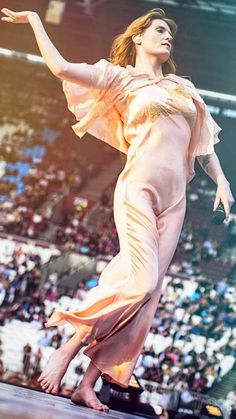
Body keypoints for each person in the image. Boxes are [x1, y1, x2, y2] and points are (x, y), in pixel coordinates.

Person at [1, 6, 234, 413]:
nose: (168, 37)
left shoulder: (184, 88)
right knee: (141, 283)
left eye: (170, 34)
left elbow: (203, 145)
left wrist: (222, 182)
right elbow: (60, 67)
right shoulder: (120, 78)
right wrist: (35, 21)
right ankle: (67, 350)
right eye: (159, 30)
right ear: (139, 38)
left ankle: (88, 385)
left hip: (175, 202)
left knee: (146, 299)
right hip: (138, 190)